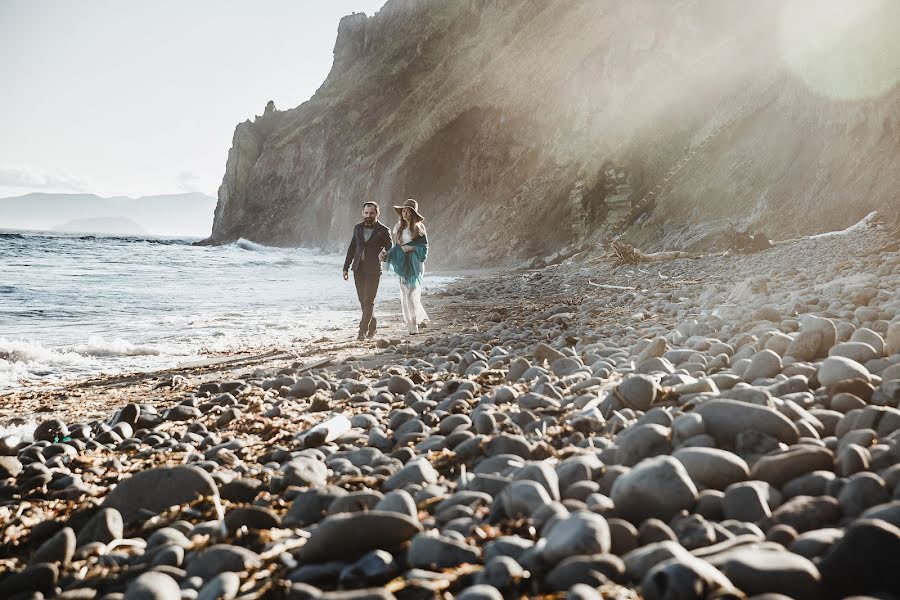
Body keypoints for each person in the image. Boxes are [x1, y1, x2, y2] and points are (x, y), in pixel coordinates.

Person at [343, 202, 393, 341]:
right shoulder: (357, 228)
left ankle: (362, 331)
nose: (368, 216)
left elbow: (390, 248)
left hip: (373, 270)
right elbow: (352, 248)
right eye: (366, 213)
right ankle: (373, 325)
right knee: (362, 301)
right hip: (358, 269)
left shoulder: (383, 230)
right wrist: (345, 267)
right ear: (362, 213)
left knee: (368, 301)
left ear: (377, 214)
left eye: (371, 213)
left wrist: (384, 253)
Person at [381, 199, 429, 335]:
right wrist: (386, 255)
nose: (405, 213)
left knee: (412, 293)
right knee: (405, 294)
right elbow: (397, 248)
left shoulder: (419, 228)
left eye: (408, 211)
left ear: (413, 213)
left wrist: (412, 248)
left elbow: (424, 247)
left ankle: (415, 324)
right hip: (402, 263)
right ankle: (411, 324)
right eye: (403, 211)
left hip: (415, 263)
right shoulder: (399, 228)